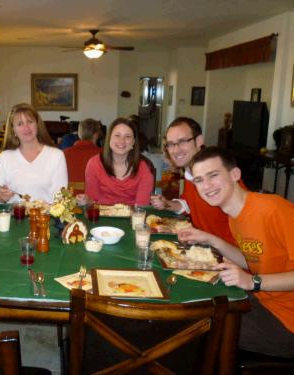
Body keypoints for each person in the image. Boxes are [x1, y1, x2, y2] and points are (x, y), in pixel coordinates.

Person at [178, 147, 294, 358]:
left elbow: (253, 276)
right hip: (263, 301)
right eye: (199, 180)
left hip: (287, 322)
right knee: (196, 305)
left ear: (235, 175)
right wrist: (210, 239)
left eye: (213, 175)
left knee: (198, 326)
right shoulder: (235, 216)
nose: (207, 186)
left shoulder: (274, 210)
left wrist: (253, 282)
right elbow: (252, 260)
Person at [150, 117, 240, 245]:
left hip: (229, 254)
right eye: (170, 144)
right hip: (203, 245)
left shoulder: (220, 175)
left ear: (199, 141)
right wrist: (166, 204)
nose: (176, 150)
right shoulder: (189, 172)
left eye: (182, 141)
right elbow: (189, 204)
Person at [0, 103, 68, 204]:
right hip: (14, 217)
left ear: (37, 124)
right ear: (13, 130)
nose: (26, 127)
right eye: (20, 124)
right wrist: (0, 197)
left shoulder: (56, 156)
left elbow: (60, 199)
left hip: (46, 218)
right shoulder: (5, 157)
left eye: (30, 122)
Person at [83, 117, 154, 205]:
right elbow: (91, 201)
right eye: (117, 135)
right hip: (101, 217)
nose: (122, 141)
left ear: (133, 142)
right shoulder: (94, 164)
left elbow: (141, 207)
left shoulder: (143, 168)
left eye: (127, 137)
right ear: (109, 139)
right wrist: (84, 201)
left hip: (133, 217)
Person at [63, 118, 102, 194]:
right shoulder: (104, 155)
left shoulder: (64, 154)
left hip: (69, 200)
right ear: (96, 135)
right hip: (95, 199)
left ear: (79, 134)